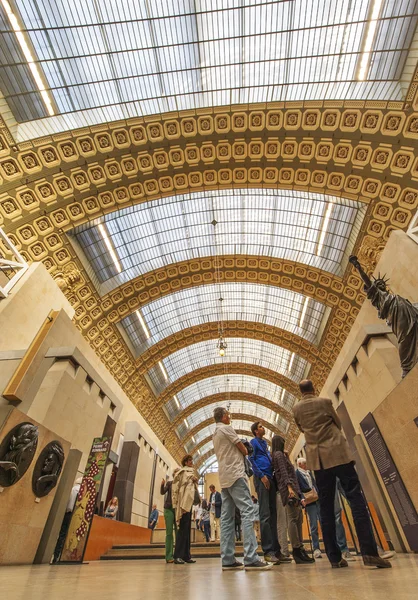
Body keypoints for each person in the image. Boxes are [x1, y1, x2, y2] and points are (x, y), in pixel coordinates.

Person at [293, 379, 391, 569]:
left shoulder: (296, 409)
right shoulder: (325, 402)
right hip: (338, 454)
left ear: (300, 391)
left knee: (326, 508)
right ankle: (369, 553)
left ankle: (334, 557)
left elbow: (301, 429)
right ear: (314, 389)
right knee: (356, 500)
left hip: (319, 461)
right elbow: (337, 424)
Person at [212, 406, 272, 571]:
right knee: (247, 512)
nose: (229, 417)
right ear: (224, 416)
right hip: (237, 475)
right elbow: (244, 450)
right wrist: (246, 447)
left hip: (224, 478)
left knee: (226, 518)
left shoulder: (215, 434)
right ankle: (251, 558)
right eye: (228, 415)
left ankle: (228, 559)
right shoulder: (226, 429)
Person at [249, 421, 291, 564]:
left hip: (271, 479)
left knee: (273, 515)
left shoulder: (265, 445)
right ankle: (268, 551)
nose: (263, 428)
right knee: (265, 515)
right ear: (255, 431)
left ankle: (276, 551)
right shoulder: (253, 443)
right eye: (260, 427)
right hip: (262, 479)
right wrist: (261, 476)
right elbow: (251, 460)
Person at [272, 435, 314, 564]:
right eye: (283, 442)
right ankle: (297, 550)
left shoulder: (281, 455)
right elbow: (284, 472)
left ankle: (300, 548)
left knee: (298, 519)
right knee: (293, 519)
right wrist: (289, 488)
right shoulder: (278, 454)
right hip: (288, 490)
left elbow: (288, 469)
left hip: (293, 489)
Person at [172, 454, 199, 564]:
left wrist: (195, 480)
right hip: (183, 502)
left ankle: (186, 555)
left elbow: (192, 488)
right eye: (189, 460)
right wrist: (190, 479)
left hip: (189, 502)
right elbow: (178, 486)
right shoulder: (182, 472)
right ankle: (177, 555)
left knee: (187, 529)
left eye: (192, 460)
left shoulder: (192, 472)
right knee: (182, 529)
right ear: (185, 462)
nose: (191, 462)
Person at [296, 457, 322, 559]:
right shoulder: (297, 473)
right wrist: (302, 498)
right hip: (309, 501)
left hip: (317, 498)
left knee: (323, 521)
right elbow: (298, 487)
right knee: (313, 524)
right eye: (305, 463)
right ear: (300, 464)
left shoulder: (309, 472)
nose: (306, 465)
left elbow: (314, 483)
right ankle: (316, 548)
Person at [51, 477, 82, 563]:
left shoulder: (73, 489)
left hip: (68, 513)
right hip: (75, 515)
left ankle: (57, 555)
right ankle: (64, 555)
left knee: (63, 534)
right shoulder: (79, 491)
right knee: (71, 535)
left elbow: (69, 504)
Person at [161, 469, 179, 563]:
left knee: (178, 533)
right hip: (168, 509)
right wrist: (162, 485)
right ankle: (168, 556)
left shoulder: (181, 486)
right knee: (169, 533)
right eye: (176, 473)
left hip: (177, 510)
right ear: (173, 475)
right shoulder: (169, 483)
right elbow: (162, 492)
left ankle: (178, 555)